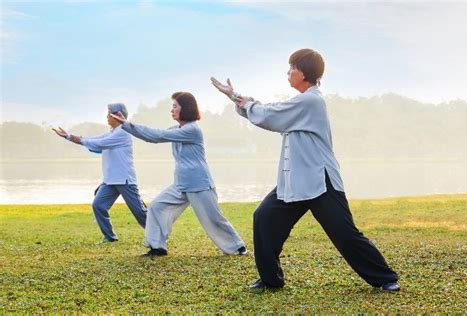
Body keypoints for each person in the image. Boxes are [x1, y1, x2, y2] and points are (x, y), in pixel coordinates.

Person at [210, 48, 400, 291]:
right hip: (295, 181)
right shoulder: (301, 103)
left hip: (320, 180)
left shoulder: (311, 100)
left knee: (344, 233)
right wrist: (236, 97)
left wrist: (238, 97)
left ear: (305, 73)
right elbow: (271, 116)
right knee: (264, 218)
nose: (288, 72)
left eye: (292, 67)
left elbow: (270, 114)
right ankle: (270, 280)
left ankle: (385, 278)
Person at [110, 92, 247, 257]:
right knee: (157, 206)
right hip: (181, 184)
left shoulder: (192, 130)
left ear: (185, 108)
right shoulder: (177, 129)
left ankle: (238, 247)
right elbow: (153, 134)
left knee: (213, 218)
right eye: (172, 106)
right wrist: (127, 125)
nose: (172, 110)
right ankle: (157, 246)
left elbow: (157, 136)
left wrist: (126, 124)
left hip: (199, 183)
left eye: (175, 106)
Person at [52, 103, 147, 243]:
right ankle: (110, 237)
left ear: (118, 115)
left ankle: (159, 232)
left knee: (140, 213)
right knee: (98, 205)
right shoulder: (112, 132)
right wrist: (68, 136)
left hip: (125, 179)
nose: (107, 116)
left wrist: (71, 137)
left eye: (109, 113)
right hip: (110, 180)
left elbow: (98, 144)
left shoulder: (123, 132)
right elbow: (94, 140)